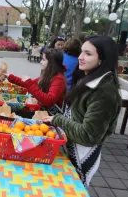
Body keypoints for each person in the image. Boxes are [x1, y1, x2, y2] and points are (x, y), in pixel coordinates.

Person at [43, 35, 122, 187]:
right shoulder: (88, 79)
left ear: (102, 60)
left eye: (88, 53)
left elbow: (88, 135)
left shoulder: (104, 92)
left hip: (81, 156)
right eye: (81, 52)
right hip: (70, 148)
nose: (80, 57)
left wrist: (57, 119)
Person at [6, 48, 66, 115]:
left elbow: (50, 100)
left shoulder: (58, 79)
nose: (41, 62)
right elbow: (28, 83)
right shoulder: (49, 75)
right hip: (44, 111)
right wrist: (10, 76)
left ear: (51, 63)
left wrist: (29, 84)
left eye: (43, 60)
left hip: (52, 116)